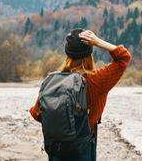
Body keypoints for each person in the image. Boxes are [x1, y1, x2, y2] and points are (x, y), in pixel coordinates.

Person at [30, 28, 131, 160]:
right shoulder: (97, 81)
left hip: (57, 151)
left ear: (68, 53)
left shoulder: (52, 79)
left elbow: (36, 113)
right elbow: (123, 57)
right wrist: (98, 42)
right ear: (90, 53)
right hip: (82, 151)